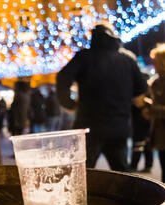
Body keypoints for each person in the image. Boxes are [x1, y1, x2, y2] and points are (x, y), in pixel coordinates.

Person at [57, 23, 148, 172]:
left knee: (83, 172)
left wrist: (68, 103)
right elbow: (140, 94)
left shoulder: (84, 56)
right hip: (119, 126)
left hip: (89, 126)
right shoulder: (128, 59)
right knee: (121, 172)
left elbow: (62, 78)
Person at [144, 44, 165, 182]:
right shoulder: (155, 82)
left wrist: (151, 109)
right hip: (160, 134)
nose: (153, 64)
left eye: (155, 61)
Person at [130, 103, 153, 173]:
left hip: (141, 119)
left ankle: (133, 166)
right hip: (144, 119)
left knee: (139, 143)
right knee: (146, 143)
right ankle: (148, 165)